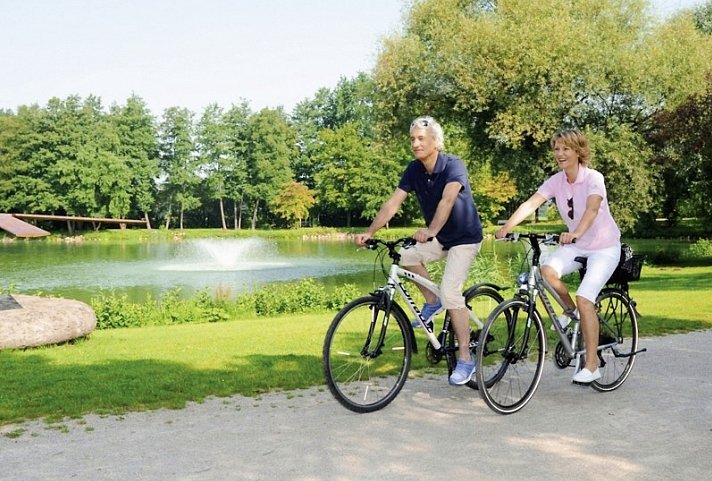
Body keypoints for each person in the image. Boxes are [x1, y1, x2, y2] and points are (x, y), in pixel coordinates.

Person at [355, 116, 484, 386]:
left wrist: (432, 230)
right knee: (403, 256)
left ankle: (465, 356)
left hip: (464, 237)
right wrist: (371, 232)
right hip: (441, 237)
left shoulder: (453, 165)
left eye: (421, 138)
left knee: (451, 291)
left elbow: (448, 200)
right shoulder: (414, 170)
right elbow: (393, 203)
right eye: (412, 139)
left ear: (436, 142)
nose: (415, 143)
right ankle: (431, 301)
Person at [495, 128, 621, 384]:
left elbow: (593, 208)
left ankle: (592, 365)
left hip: (604, 248)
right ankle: (570, 311)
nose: (560, 154)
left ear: (578, 151)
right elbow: (531, 204)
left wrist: (575, 232)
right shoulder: (556, 181)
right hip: (578, 244)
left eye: (566, 148)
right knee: (546, 272)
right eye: (556, 149)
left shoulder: (594, 178)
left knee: (586, 297)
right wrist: (507, 227)